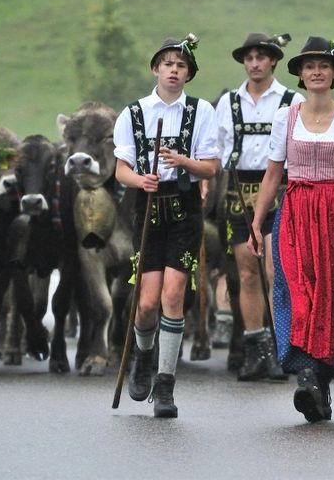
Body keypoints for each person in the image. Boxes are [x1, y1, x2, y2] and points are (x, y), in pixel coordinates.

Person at [248, 36, 334, 423]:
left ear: (333, 74)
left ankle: (317, 380)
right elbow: (273, 173)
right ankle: (307, 373)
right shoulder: (286, 117)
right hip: (294, 210)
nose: (316, 72)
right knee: (297, 291)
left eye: (323, 66)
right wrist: (258, 223)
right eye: (309, 66)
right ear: (299, 73)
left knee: (329, 296)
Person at [114, 35, 220, 418]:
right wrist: (139, 180)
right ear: (155, 69)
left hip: (185, 210)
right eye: (168, 63)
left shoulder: (201, 111)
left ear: (189, 74)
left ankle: (165, 385)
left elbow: (211, 166)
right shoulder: (134, 113)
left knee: (173, 297)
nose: (174, 70)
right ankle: (143, 355)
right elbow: (120, 168)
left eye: (181, 65)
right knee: (145, 303)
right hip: (147, 210)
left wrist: (182, 162)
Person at [215, 32, 304, 381]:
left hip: (279, 190)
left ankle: (281, 350)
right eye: (249, 58)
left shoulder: (290, 100)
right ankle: (256, 351)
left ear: (273, 61)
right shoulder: (228, 103)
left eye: (261, 57)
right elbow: (219, 148)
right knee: (247, 274)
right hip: (238, 191)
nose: (254, 63)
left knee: (274, 273)